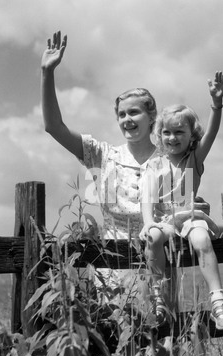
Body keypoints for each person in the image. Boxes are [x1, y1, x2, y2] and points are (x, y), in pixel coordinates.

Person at [41, 31, 159, 287]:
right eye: (121, 114)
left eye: (134, 112)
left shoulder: (168, 161)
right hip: (113, 275)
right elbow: (54, 127)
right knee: (114, 326)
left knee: (161, 328)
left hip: (160, 272)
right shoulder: (103, 156)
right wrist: (47, 73)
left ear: (152, 116)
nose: (127, 119)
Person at [139, 71, 223, 330]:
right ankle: (159, 299)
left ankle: (218, 304)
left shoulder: (194, 158)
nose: (172, 137)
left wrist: (216, 103)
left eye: (179, 132)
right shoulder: (154, 165)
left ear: (191, 135)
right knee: (153, 238)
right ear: (159, 135)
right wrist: (149, 223)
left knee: (202, 240)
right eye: (167, 132)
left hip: (191, 216)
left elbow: (213, 132)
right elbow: (147, 199)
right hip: (163, 218)